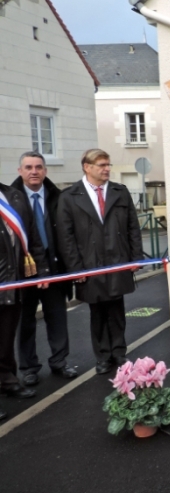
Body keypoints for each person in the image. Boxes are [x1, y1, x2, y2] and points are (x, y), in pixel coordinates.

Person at [57, 149, 144, 375]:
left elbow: (133, 227)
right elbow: (66, 237)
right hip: (89, 264)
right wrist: (76, 269)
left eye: (108, 164)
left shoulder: (120, 192)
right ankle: (103, 356)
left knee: (116, 309)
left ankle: (119, 352)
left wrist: (136, 257)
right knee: (98, 312)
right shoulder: (69, 196)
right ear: (87, 167)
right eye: (102, 165)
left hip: (117, 260)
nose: (107, 169)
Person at [11, 152, 77, 386]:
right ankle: (29, 368)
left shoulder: (57, 196)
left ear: (45, 171)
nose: (34, 171)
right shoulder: (9, 198)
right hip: (24, 272)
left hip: (55, 268)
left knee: (57, 318)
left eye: (38, 167)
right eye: (28, 167)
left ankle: (59, 361)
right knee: (25, 323)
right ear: (20, 171)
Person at [0, 178, 49, 419]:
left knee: (6, 337)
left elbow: (33, 236)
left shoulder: (13, 195)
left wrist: (42, 270)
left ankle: (8, 380)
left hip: (12, 280)